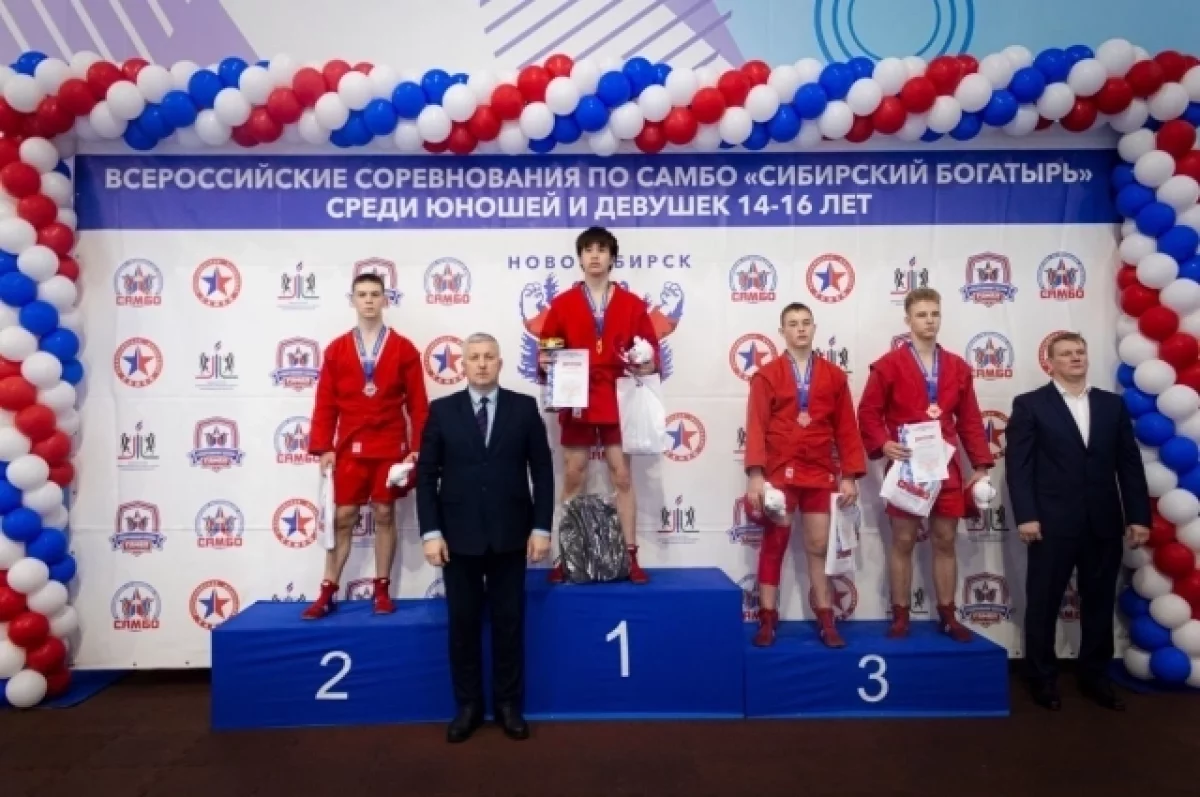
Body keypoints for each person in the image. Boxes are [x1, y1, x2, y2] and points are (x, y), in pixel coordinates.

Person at [417, 333, 554, 743]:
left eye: (488, 357)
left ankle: (509, 705)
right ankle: (469, 706)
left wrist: (541, 527)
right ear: (462, 364)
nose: (481, 364)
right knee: (463, 625)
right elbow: (426, 476)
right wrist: (431, 532)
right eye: (474, 357)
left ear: (500, 362)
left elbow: (542, 472)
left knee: (509, 623)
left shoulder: (524, 408)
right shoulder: (442, 411)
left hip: (512, 535)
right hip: (457, 539)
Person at [1005, 332, 1150, 711]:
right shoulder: (1030, 405)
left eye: (1080, 352)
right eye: (1066, 353)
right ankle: (1041, 677)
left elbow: (1129, 464)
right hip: (1050, 522)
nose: (1075, 358)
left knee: (1099, 601)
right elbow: (1019, 467)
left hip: (1103, 520)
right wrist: (1027, 515)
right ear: (1050, 363)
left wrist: (1137, 515)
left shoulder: (1111, 405)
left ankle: (1095, 677)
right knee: (1044, 601)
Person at [858, 287, 993, 641]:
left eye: (934, 314)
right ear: (908, 320)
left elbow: (970, 419)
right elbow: (868, 412)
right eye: (921, 315)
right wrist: (883, 443)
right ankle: (900, 614)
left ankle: (948, 615)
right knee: (903, 540)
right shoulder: (888, 365)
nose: (929, 321)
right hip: (907, 465)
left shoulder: (958, 367)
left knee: (945, 539)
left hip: (945, 466)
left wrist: (980, 465)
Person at [302, 272, 428, 619]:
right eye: (362, 294)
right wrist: (324, 446)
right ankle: (328, 590)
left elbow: (418, 405)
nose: (369, 300)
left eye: (375, 294)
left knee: (385, 513)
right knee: (344, 516)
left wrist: (416, 447)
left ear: (385, 299)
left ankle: (382, 589)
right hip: (350, 444)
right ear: (353, 300)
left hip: (390, 445)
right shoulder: (337, 349)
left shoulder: (403, 348)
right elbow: (325, 402)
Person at [537, 226, 659, 585]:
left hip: (618, 394)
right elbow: (546, 351)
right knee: (574, 473)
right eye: (588, 250)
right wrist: (546, 362)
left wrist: (647, 363)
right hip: (576, 394)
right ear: (580, 258)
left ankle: (630, 555)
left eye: (601, 250)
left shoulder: (632, 304)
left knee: (622, 475)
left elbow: (651, 353)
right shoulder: (562, 303)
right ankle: (567, 555)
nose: (595, 256)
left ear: (612, 257)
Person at [743, 303, 866, 648]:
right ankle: (767, 618)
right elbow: (756, 426)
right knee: (775, 543)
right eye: (793, 323)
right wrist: (756, 475)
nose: (800, 328)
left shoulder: (834, 376)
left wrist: (849, 475)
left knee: (818, 546)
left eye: (806, 323)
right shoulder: (767, 375)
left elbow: (847, 429)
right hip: (780, 473)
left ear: (814, 328)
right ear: (781, 331)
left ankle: (826, 618)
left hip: (819, 471)